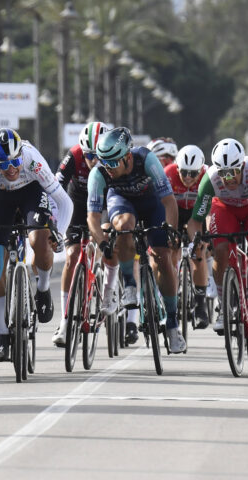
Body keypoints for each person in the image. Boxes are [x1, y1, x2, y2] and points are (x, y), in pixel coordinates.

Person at [0, 128, 73, 362]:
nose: (11, 169)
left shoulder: (31, 159)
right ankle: (1, 335)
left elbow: (64, 202)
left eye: (15, 161)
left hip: (31, 193)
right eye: (4, 164)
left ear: (21, 155)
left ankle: (43, 288)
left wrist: (59, 233)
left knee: (40, 240)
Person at [87, 127, 186, 353]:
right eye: (104, 162)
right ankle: (130, 284)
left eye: (113, 162)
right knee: (123, 227)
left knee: (163, 257)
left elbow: (169, 201)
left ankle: (172, 323)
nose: (108, 167)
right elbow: (92, 217)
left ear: (128, 157)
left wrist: (171, 231)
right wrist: (103, 243)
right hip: (122, 202)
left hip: (153, 204)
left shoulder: (146, 159)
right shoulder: (99, 173)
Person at [186, 138, 248, 340]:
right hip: (225, 209)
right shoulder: (209, 179)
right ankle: (223, 307)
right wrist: (194, 243)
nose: (228, 178)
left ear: (242, 165)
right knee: (220, 251)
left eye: (233, 171)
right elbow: (195, 222)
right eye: (223, 173)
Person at [52, 121, 109, 347]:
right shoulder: (74, 155)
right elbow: (56, 186)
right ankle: (65, 321)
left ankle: (104, 280)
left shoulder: (112, 157)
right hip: (77, 203)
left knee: (106, 239)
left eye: (98, 155)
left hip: (104, 204)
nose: (93, 160)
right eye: (89, 155)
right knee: (72, 256)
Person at [164, 144, 210, 328]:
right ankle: (171, 297)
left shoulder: (208, 176)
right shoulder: (168, 174)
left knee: (199, 252)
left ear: (201, 170)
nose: (188, 177)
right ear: (177, 168)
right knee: (171, 249)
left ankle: (200, 305)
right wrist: (169, 231)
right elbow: (162, 205)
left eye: (193, 173)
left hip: (196, 213)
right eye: (184, 172)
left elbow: (212, 207)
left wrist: (208, 235)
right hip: (174, 211)